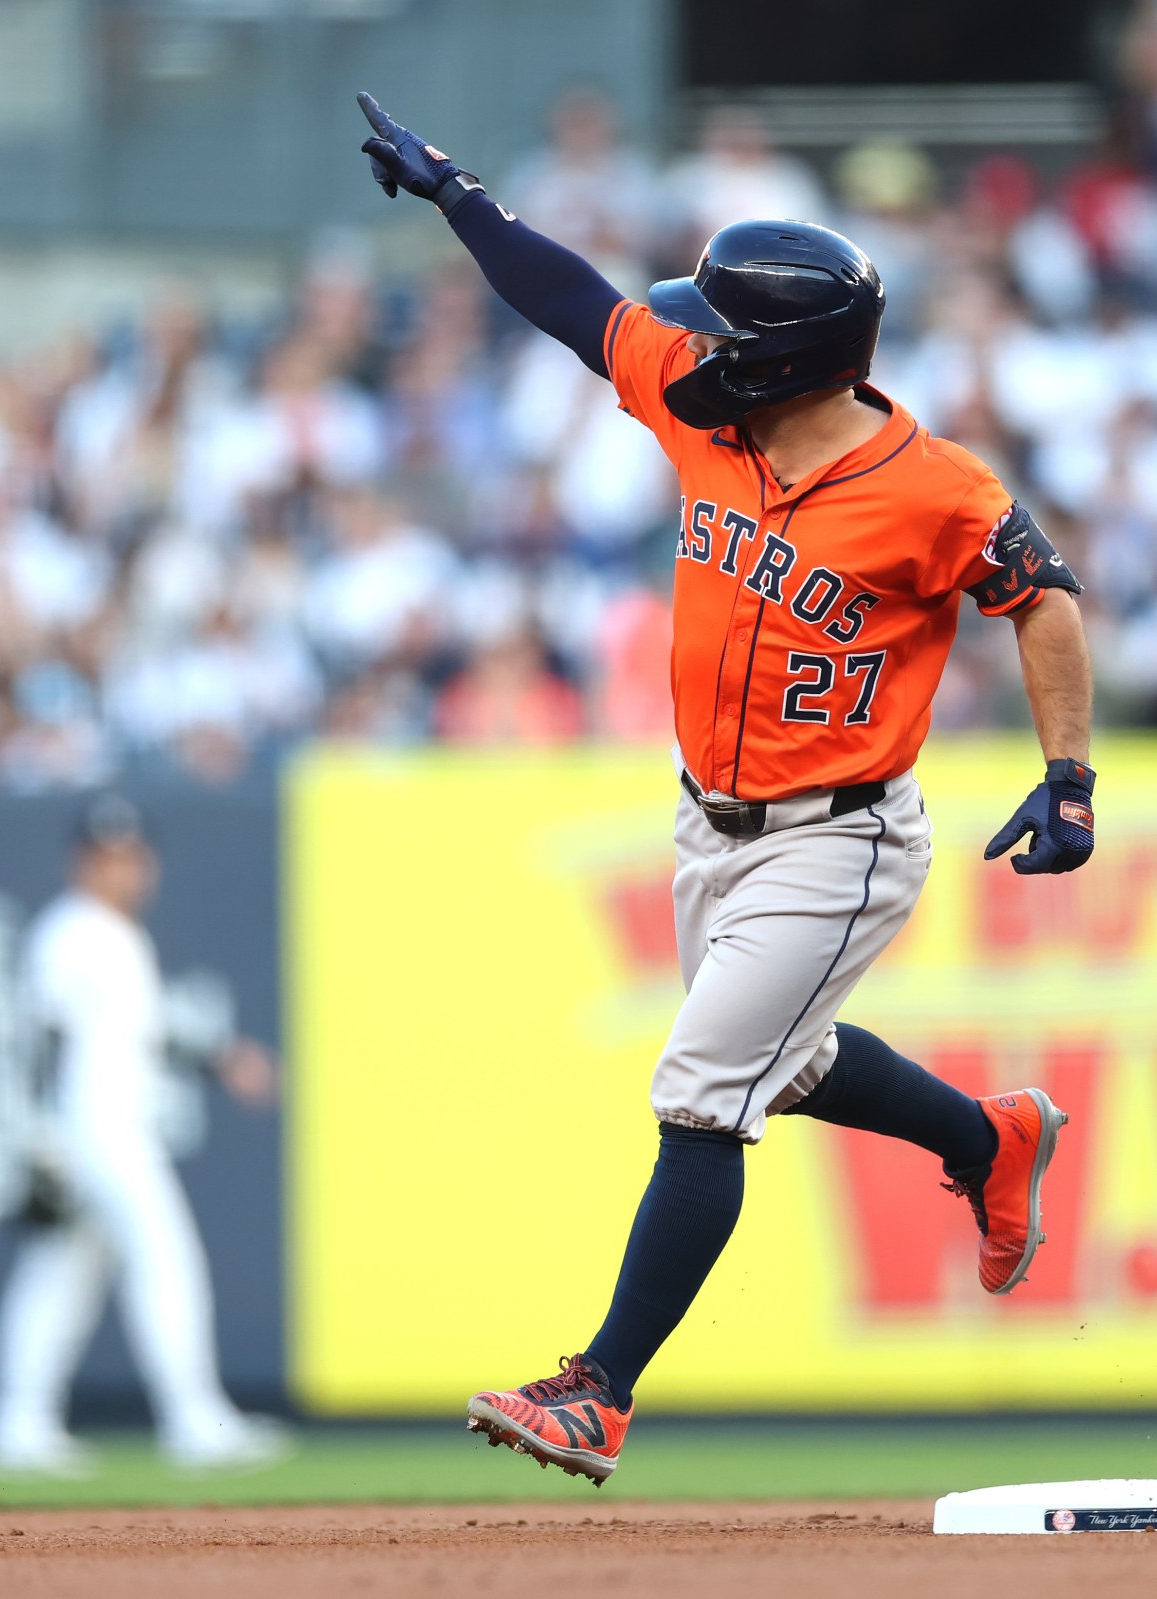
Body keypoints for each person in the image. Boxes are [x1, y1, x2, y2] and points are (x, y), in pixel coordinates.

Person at [355, 94, 1093, 1483]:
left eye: (727, 329)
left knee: (702, 1090)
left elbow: (1041, 599)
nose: (695, 341)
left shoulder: (934, 488)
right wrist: (460, 197)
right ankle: (989, 1137)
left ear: (791, 358)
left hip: (844, 836)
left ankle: (599, 1389)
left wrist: (1070, 776)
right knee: (789, 1064)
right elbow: (576, 305)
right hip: (711, 819)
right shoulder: (711, 417)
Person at [0, 795, 290, 1476]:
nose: (123, 870)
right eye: (107, 856)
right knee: (165, 1257)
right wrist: (37, 1138)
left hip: (106, 1123)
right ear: (80, 861)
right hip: (94, 1128)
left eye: (131, 856)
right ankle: (194, 1419)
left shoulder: (118, 935)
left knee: (61, 1274)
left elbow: (145, 1037)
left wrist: (222, 1058)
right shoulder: (69, 930)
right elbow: (42, 1039)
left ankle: (16, 1422)